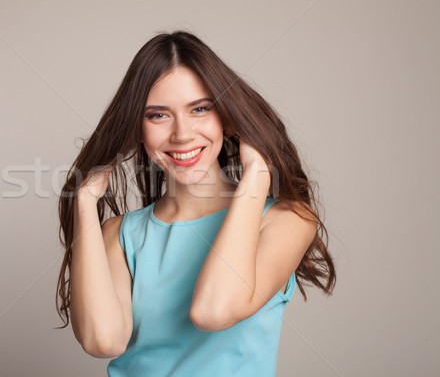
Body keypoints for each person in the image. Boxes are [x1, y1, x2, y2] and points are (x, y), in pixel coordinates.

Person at [54, 30, 336, 376]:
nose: (183, 134)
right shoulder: (118, 234)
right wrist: (83, 202)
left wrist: (257, 174)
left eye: (200, 109)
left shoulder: (285, 219)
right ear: (136, 130)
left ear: (227, 118)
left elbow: (215, 310)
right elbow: (103, 341)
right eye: (158, 115)